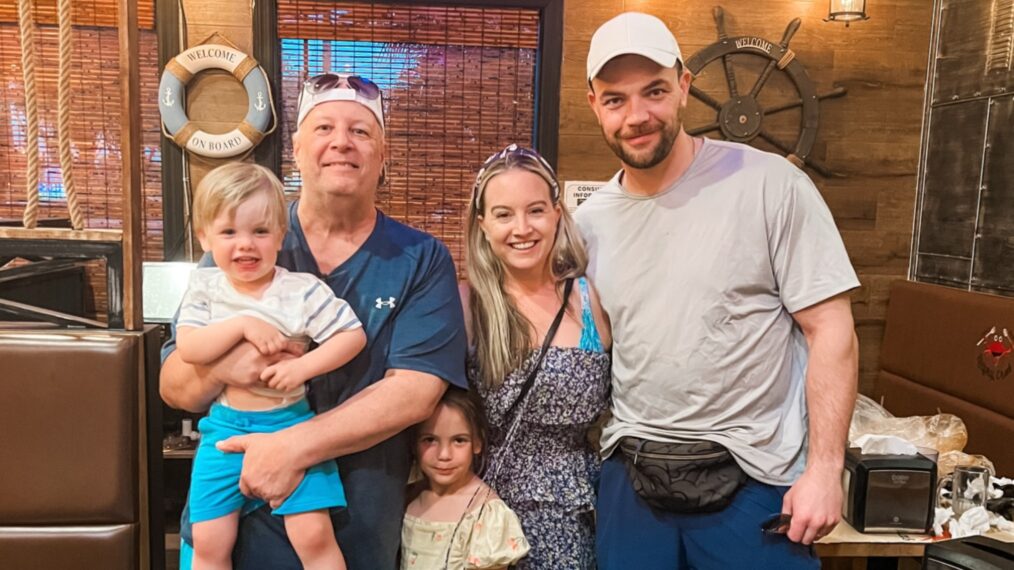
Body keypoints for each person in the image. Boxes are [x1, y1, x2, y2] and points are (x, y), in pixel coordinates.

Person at [577, 12, 860, 570]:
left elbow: (831, 328)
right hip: (632, 474)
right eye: (615, 100)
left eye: (654, 91)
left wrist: (825, 470)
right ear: (594, 105)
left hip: (756, 475)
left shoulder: (771, 185)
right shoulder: (589, 223)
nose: (636, 115)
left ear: (684, 85)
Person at [159, 72, 468, 570]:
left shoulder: (421, 258)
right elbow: (175, 385)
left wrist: (289, 449)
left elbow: (414, 392)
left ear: (383, 156)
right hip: (232, 527)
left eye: (360, 131)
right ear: (297, 150)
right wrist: (231, 362)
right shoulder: (241, 242)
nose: (341, 142)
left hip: (355, 528)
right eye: (324, 128)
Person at [176, 162, 366, 570]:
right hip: (225, 429)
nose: (245, 245)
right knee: (209, 541)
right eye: (229, 232)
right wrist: (243, 324)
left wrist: (303, 368)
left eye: (260, 231)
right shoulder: (205, 288)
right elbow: (189, 347)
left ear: (281, 235)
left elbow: (351, 335)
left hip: (291, 425)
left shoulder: (300, 290)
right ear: (204, 237)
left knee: (314, 536)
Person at [462, 144, 612, 569]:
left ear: (557, 214)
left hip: (578, 510)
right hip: (487, 512)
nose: (522, 228)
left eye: (535, 211)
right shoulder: (467, 306)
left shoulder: (590, 299)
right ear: (483, 225)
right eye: (503, 214)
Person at [401, 388, 530, 569]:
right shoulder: (410, 497)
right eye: (430, 440)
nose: (444, 455)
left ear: (477, 442)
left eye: (459, 440)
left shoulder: (486, 515)